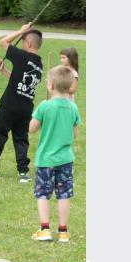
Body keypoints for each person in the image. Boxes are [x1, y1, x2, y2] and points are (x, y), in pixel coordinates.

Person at [0, 23, 43, 183]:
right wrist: (3, 70)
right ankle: (23, 173)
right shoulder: (39, 64)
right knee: (21, 139)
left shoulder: (22, 56)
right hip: (26, 108)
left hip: (9, 105)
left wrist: (22, 30)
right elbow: (20, 79)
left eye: (22, 41)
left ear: (28, 43)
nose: (21, 45)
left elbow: (3, 41)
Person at [29, 65, 81, 242]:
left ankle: (44, 229)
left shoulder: (45, 106)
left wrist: (39, 115)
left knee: (43, 194)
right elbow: (75, 134)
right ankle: (63, 231)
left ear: (51, 86)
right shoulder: (73, 108)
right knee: (64, 195)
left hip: (45, 160)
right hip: (66, 160)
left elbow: (32, 129)